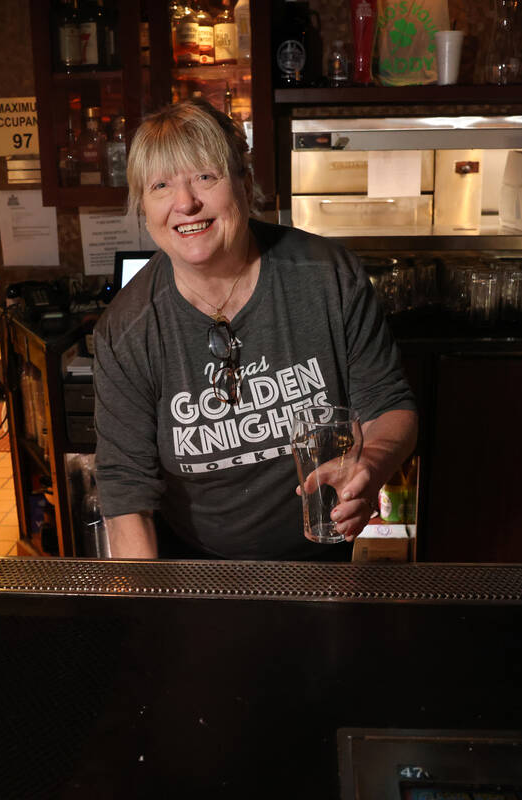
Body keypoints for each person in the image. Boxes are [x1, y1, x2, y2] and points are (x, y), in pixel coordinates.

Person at [92, 98, 418, 561]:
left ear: (244, 181)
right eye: (161, 185)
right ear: (143, 205)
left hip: (320, 557)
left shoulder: (328, 277)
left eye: (206, 176)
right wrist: (145, 612)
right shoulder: (127, 328)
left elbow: (389, 405)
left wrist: (372, 460)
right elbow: (125, 491)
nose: (185, 203)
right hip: (194, 570)